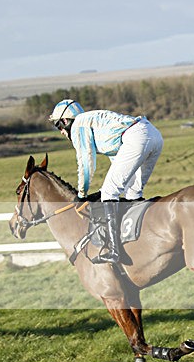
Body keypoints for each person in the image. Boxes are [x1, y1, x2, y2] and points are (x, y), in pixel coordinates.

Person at [48, 99, 163, 264]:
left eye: (59, 126)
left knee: (110, 192)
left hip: (137, 137)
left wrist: (81, 194)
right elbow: (117, 161)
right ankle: (141, 242)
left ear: (66, 121)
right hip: (153, 134)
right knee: (133, 193)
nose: (60, 131)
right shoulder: (93, 123)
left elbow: (86, 163)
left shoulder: (78, 125)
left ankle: (114, 251)